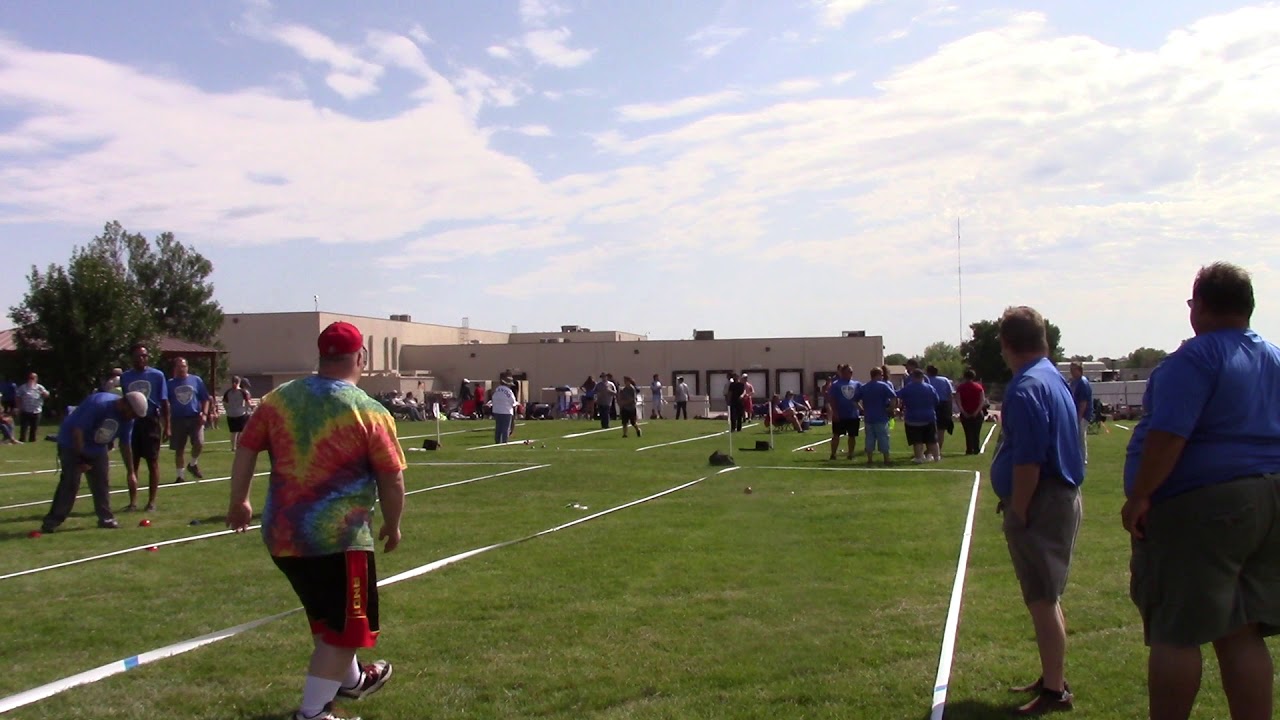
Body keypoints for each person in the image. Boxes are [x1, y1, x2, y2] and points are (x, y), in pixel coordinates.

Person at [1122, 263, 1280, 720]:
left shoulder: (1195, 358)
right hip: (1268, 500)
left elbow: (1169, 434)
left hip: (1204, 503)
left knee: (1176, 633)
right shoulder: (1273, 357)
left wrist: (1141, 495)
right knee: (1242, 631)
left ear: (1202, 306)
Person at [227, 321, 404, 720]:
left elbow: (246, 448)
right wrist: (393, 524)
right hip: (339, 538)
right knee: (345, 628)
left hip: (282, 534)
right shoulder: (368, 410)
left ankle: (352, 681)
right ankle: (313, 713)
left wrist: (239, 501)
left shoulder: (279, 399)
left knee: (327, 615)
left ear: (322, 356)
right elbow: (391, 477)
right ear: (361, 358)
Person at [991, 305, 1084, 715]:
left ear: (1006, 344)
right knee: (1047, 596)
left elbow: (1028, 460)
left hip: (1042, 500)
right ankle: (1052, 676)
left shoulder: (1026, 387)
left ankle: (1054, 692)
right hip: (1057, 497)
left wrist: (1020, 509)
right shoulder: (1052, 377)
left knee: (1042, 599)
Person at [40, 391, 147, 533]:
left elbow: (125, 444)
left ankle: (106, 519)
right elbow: (78, 431)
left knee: (101, 482)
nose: (132, 417)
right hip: (71, 443)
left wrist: (131, 472)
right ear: (124, 404)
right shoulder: (99, 404)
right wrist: (80, 459)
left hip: (97, 447)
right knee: (70, 482)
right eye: (132, 413)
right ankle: (52, 521)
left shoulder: (128, 419)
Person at [120, 344, 169, 512]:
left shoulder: (157, 375)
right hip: (132, 422)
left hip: (150, 421)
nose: (142, 358)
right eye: (138, 356)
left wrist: (167, 425)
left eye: (144, 355)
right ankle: (133, 502)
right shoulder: (126, 377)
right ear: (132, 358)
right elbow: (124, 401)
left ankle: (151, 501)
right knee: (132, 463)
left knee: (152, 462)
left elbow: (164, 401)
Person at [168, 357, 211, 483]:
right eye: (179, 366)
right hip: (177, 419)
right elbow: (165, 401)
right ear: (174, 368)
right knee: (179, 448)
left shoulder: (196, 380)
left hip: (194, 417)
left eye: (184, 366)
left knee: (199, 442)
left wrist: (205, 413)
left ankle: (192, 464)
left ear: (187, 367)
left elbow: (205, 398)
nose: (182, 369)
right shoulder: (170, 383)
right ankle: (180, 476)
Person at [854, 367, 896, 466]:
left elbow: (855, 400)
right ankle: (886, 459)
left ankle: (870, 459)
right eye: (881, 375)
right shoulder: (883, 386)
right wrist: (890, 408)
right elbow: (893, 397)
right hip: (881, 417)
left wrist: (862, 410)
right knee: (883, 438)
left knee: (869, 438)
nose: (882, 377)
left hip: (869, 417)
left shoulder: (864, 387)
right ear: (878, 375)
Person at [897, 369, 940, 464]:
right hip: (929, 417)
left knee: (917, 440)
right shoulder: (930, 388)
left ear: (913, 377)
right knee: (932, 439)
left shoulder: (908, 388)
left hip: (912, 418)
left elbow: (897, 395)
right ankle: (936, 457)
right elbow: (937, 400)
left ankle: (919, 457)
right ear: (922, 377)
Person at [827, 364, 861, 460]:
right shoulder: (836, 384)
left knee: (852, 436)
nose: (851, 373)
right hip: (840, 414)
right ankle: (833, 454)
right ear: (843, 373)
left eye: (851, 372)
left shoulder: (857, 384)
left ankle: (851, 454)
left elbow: (859, 397)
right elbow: (832, 399)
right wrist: (835, 412)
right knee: (836, 435)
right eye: (848, 371)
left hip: (853, 415)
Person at [955, 369, 987, 455]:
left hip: (965, 413)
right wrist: (976, 412)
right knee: (976, 433)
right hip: (977, 413)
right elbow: (982, 400)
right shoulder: (979, 387)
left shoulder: (960, 388)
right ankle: (976, 449)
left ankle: (969, 449)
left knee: (968, 432)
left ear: (964, 376)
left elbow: (958, 400)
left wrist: (963, 412)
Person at [926, 365, 955, 458]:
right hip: (944, 405)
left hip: (931, 404)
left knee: (929, 429)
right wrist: (950, 408)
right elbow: (950, 394)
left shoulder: (927, 380)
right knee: (941, 430)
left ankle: (929, 451)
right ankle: (938, 450)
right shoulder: (945, 380)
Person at [1068, 363, 1092, 466]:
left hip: (1083, 414)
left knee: (1081, 436)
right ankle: (1076, 457)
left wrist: (1079, 417)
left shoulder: (1083, 383)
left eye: (1073, 369)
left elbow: (1083, 403)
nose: (1071, 371)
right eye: (1070, 369)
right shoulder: (1074, 382)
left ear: (1079, 370)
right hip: (1075, 413)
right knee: (1075, 437)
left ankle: (1083, 459)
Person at [15, 372, 49, 443]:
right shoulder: (23, 387)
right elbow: (18, 396)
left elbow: (46, 395)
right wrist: (19, 407)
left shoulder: (40, 387)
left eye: (33, 378)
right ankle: (22, 439)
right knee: (24, 427)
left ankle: (32, 440)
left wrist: (44, 394)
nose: (31, 379)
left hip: (36, 410)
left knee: (34, 427)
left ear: (36, 379)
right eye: (30, 378)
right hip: (25, 410)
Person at [224, 376, 253, 451]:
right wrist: (250, 408)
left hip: (230, 413)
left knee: (233, 432)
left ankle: (233, 447)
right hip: (241, 413)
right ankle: (239, 445)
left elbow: (224, 403)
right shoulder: (243, 392)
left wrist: (227, 410)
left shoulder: (228, 392)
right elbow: (248, 402)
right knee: (241, 431)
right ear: (239, 382)